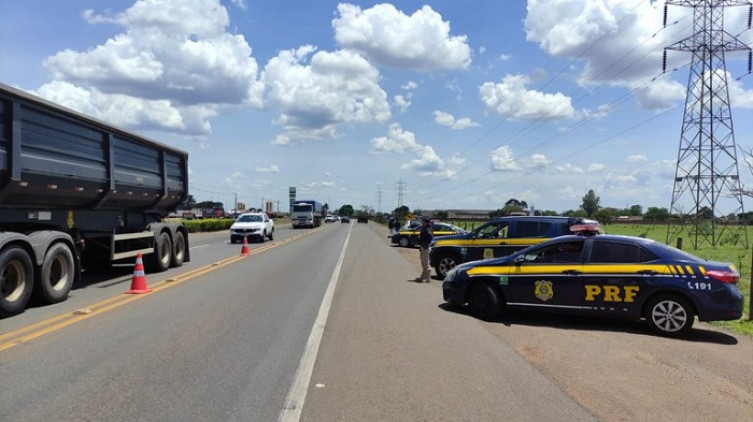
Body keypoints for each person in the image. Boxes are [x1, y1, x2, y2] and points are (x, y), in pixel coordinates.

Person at [416, 217, 433, 283]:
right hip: (423, 247)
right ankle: (423, 276)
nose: (422, 223)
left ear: (426, 223)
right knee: (423, 262)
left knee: (426, 263)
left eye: (423, 222)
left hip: (426, 247)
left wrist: (425, 243)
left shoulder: (428, 229)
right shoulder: (424, 229)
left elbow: (430, 238)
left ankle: (428, 278)